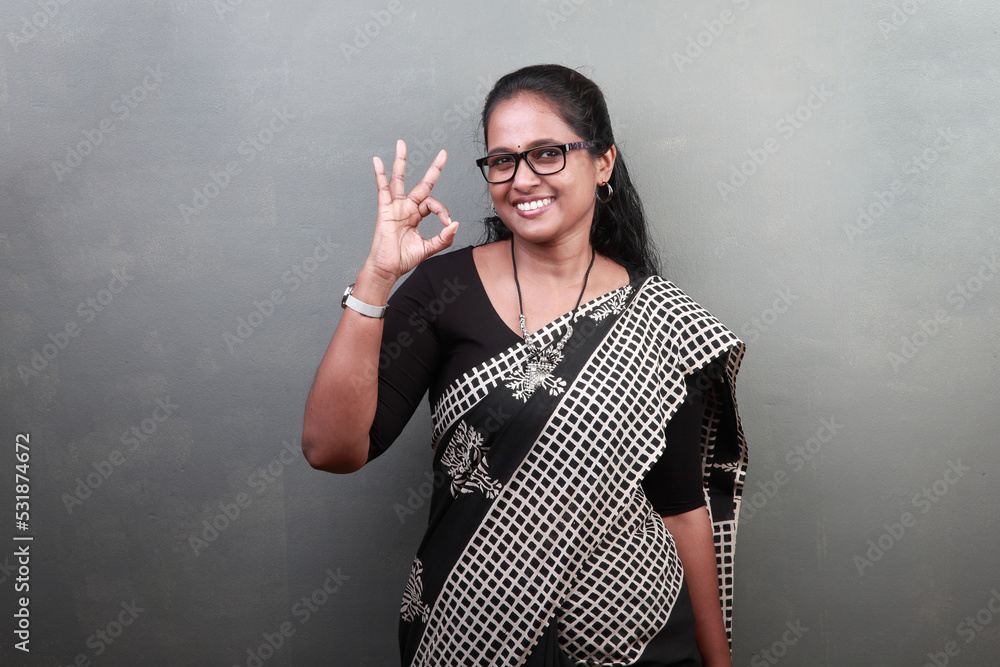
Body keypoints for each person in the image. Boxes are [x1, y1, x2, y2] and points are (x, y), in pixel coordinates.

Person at [302, 64, 748, 667]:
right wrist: (378, 277)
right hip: (472, 632)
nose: (521, 178)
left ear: (603, 163)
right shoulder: (444, 289)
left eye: (547, 153)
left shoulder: (663, 321)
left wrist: (718, 662)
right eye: (502, 161)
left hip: (638, 644)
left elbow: (681, 508)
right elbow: (332, 449)